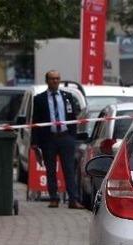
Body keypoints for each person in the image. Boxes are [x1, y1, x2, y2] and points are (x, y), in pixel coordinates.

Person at [31, 70, 83, 209]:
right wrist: (35, 143)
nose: (55, 81)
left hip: (66, 137)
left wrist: (72, 136)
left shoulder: (67, 97)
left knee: (69, 169)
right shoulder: (39, 99)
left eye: (57, 78)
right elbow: (35, 121)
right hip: (49, 139)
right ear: (47, 81)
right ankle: (54, 198)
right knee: (50, 170)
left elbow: (73, 117)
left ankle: (73, 199)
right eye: (52, 79)